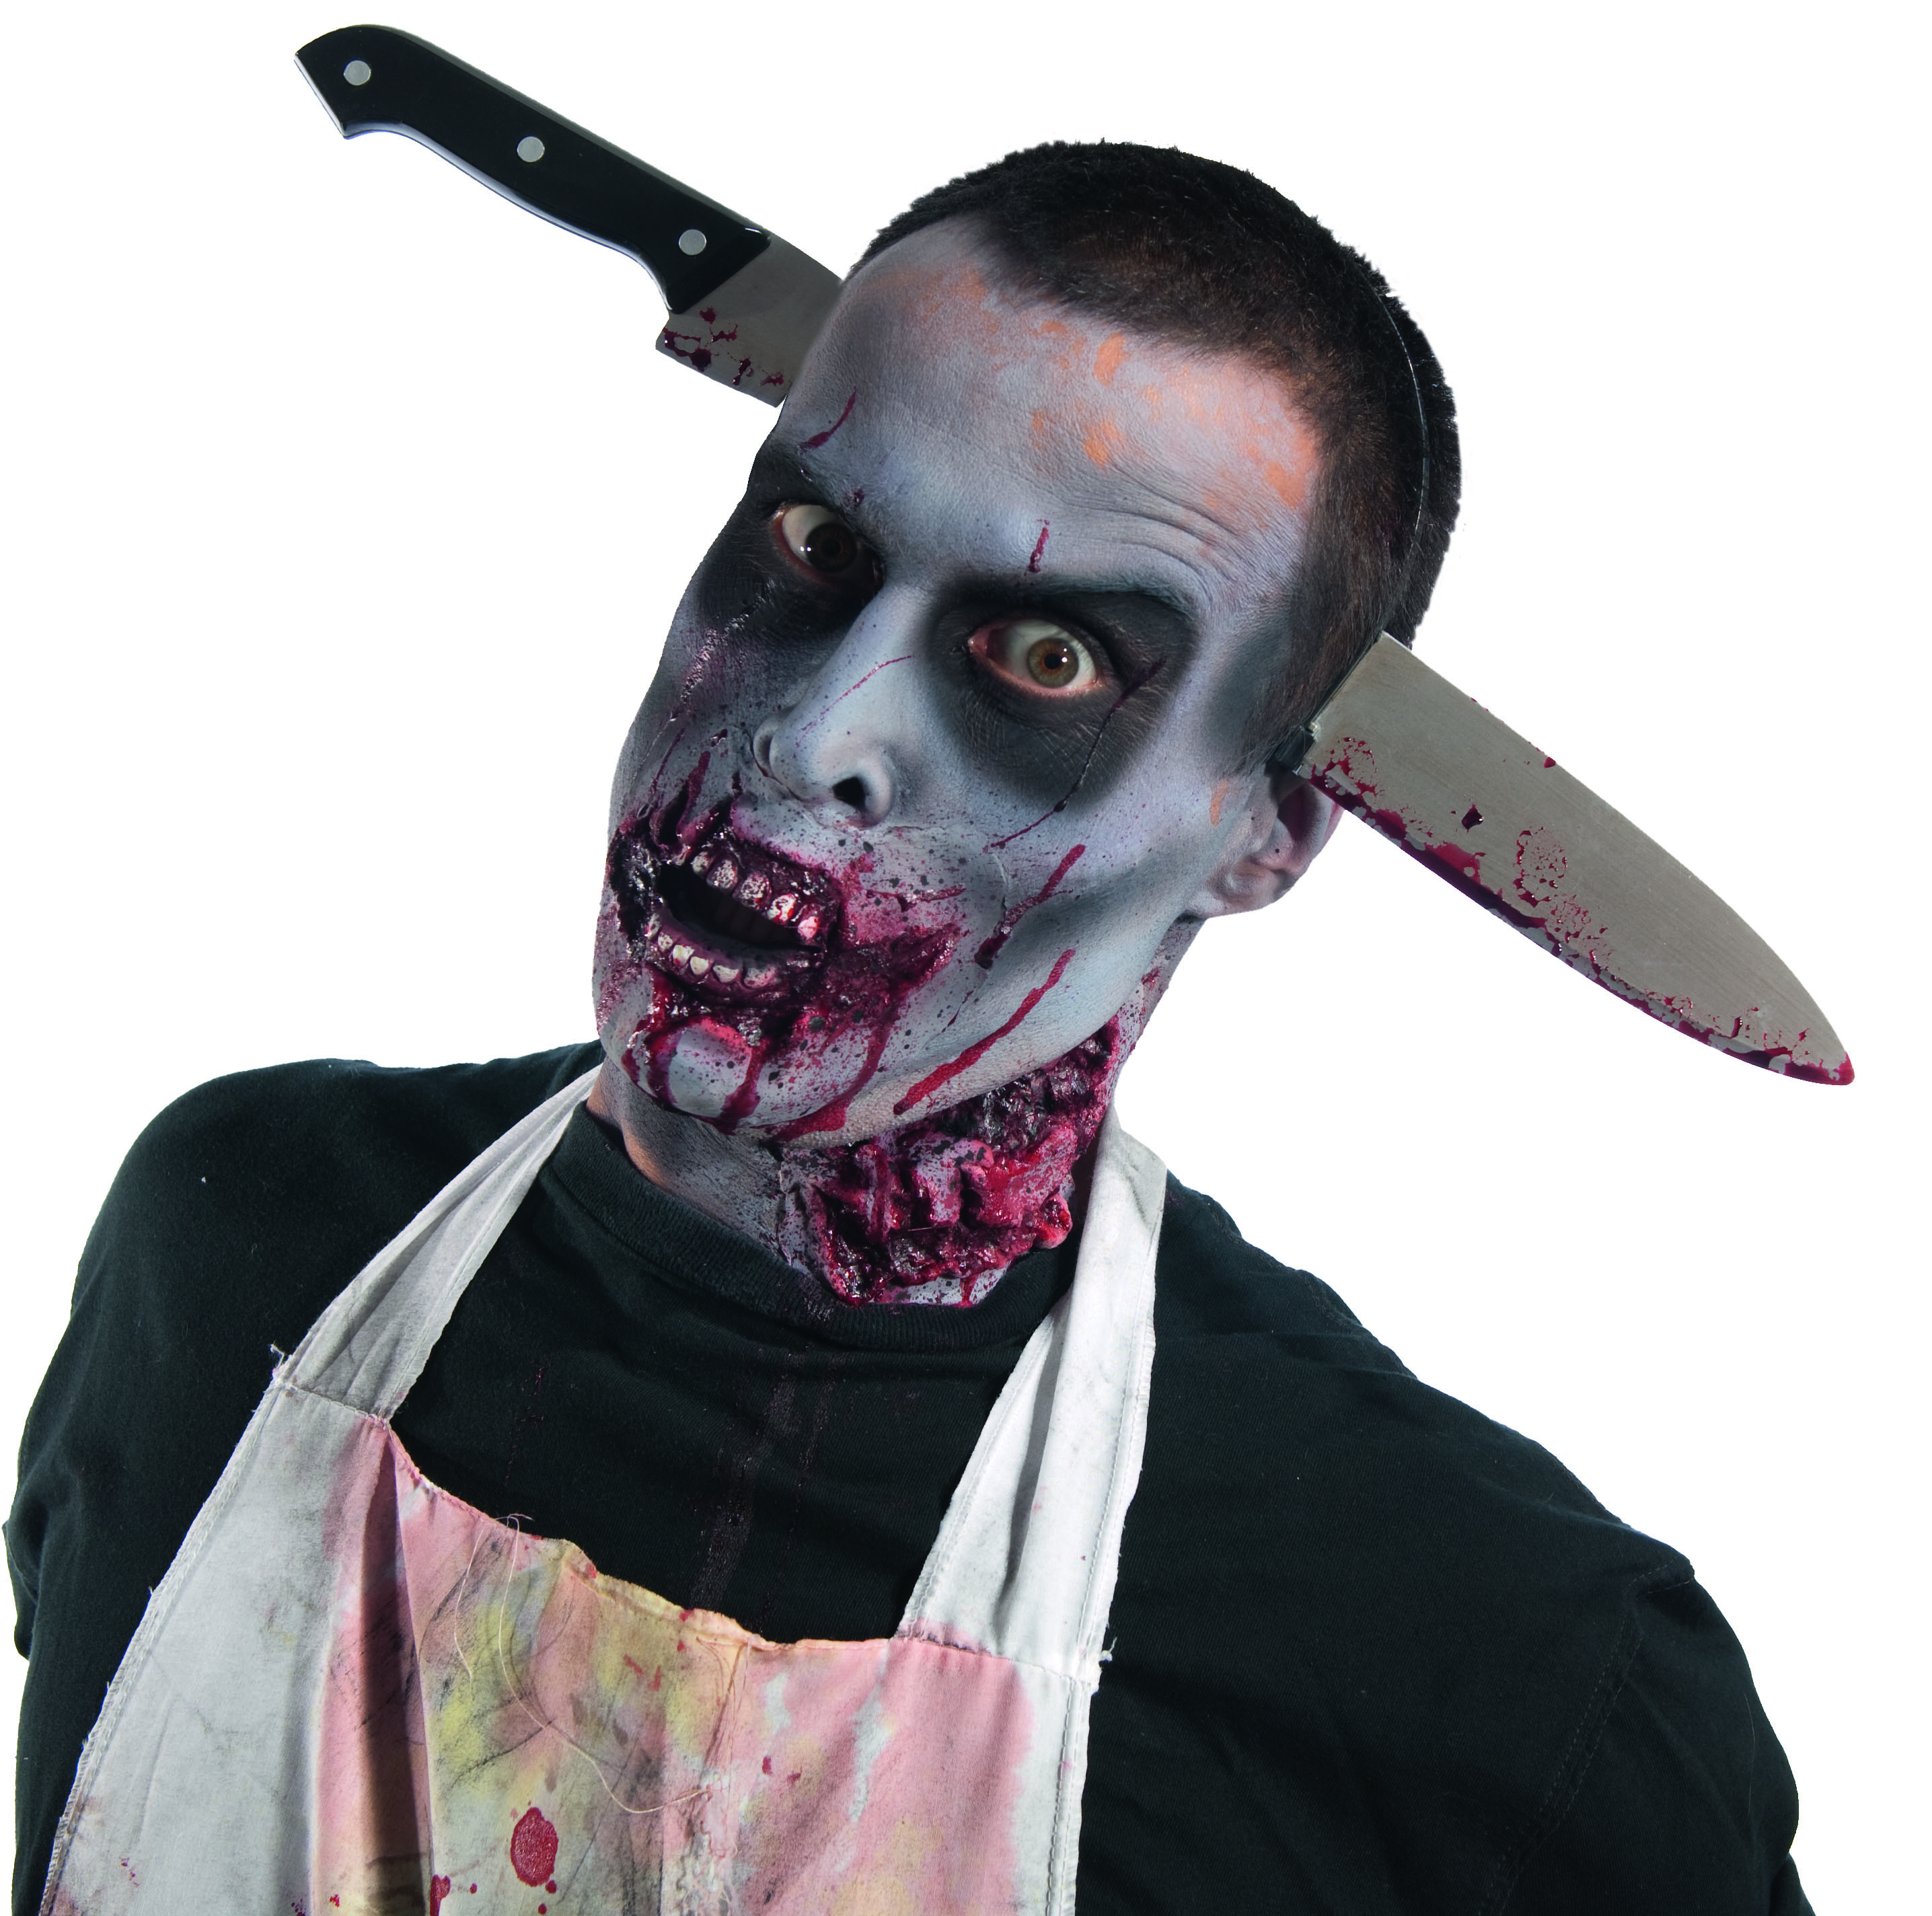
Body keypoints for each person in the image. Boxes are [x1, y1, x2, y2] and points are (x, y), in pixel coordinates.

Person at [7, 143, 1810, 1912]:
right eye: (815, 543)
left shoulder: (1501, 1671)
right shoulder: (237, 1238)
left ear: (1266, 828)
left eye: (1048, 659)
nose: (817, 735)